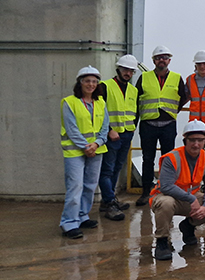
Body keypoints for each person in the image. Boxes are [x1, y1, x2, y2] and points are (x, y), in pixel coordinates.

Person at [150, 120, 205, 260]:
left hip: (192, 198)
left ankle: (188, 226)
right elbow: (165, 186)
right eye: (192, 140)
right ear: (185, 140)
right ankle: (162, 241)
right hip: (169, 197)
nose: (196, 144)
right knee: (165, 203)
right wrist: (191, 199)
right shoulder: (172, 158)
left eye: (200, 140)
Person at [60, 66, 109, 239]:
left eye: (94, 81)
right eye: (87, 81)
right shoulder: (69, 102)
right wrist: (86, 146)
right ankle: (69, 223)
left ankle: (82, 216)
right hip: (75, 151)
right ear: (80, 83)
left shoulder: (101, 102)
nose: (91, 84)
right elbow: (71, 128)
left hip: (96, 150)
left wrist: (96, 144)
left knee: (89, 185)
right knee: (75, 186)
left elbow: (105, 128)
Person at [135, 45, 188, 206]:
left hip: (168, 125)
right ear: (154, 60)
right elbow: (136, 100)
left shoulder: (176, 78)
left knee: (168, 160)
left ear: (169, 60)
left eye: (165, 57)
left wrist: (172, 111)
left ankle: (168, 190)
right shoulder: (144, 77)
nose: (162, 60)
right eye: (158, 58)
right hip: (148, 124)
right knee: (148, 159)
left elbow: (183, 97)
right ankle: (146, 192)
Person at [98, 54, 138, 221]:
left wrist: (132, 129)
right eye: (125, 69)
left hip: (126, 134)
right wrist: (108, 130)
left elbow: (135, 113)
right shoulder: (105, 87)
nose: (127, 72)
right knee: (107, 170)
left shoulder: (133, 90)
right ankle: (109, 201)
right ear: (118, 69)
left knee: (116, 168)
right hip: (111, 135)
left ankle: (109, 199)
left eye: (130, 70)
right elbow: (98, 112)